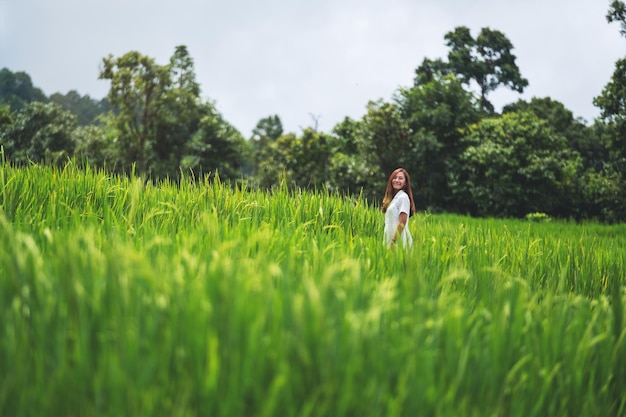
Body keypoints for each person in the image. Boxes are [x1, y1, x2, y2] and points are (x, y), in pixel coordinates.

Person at [382, 168, 416, 249]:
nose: (397, 180)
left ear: (405, 183)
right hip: (390, 238)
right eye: (395, 177)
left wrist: (393, 242)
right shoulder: (393, 198)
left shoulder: (403, 197)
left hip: (398, 240)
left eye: (400, 178)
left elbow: (402, 222)